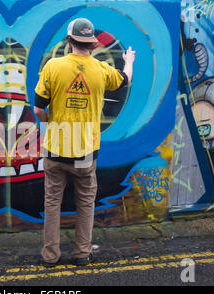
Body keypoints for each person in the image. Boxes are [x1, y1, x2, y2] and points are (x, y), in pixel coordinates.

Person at [34, 17, 136, 266]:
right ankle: (82, 253)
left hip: (56, 150)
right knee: (85, 202)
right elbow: (125, 79)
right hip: (85, 152)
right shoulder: (100, 70)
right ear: (92, 43)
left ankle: (50, 256)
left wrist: (51, 125)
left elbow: (38, 109)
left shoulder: (52, 67)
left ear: (69, 40)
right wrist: (128, 61)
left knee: (52, 202)